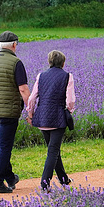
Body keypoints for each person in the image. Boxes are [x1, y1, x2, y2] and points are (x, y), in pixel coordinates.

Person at [0, 31, 30, 194]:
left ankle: (9, 177)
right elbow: (22, 88)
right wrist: (31, 108)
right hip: (9, 111)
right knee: (5, 147)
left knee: (0, 146)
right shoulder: (16, 62)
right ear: (14, 45)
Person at [27, 50, 76, 192]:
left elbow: (32, 98)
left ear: (49, 62)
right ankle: (44, 184)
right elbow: (70, 100)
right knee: (53, 151)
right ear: (63, 63)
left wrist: (30, 114)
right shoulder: (68, 76)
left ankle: (64, 180)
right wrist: (68, 111)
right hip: (58, 117)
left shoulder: (41, 76)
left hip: (42, 117)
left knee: (53, 150)